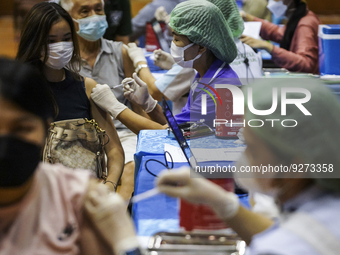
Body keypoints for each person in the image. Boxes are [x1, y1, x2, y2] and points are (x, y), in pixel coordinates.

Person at [86, 77, 340, 255]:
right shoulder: (325, 206)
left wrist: (125, 243)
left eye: (251, 149)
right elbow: (293, 232)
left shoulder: (279, 249)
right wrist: (226, 206)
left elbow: (289, 241)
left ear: (294, 167)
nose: (242, 157)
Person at [0, 58, 140, 255]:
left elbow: (115, 150)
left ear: (46, 129)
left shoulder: (77, 196)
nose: (5, 141)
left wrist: (127, 245)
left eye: (22, 128)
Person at [16, 2, 124, 192]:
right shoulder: (21, 91)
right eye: (51, 41)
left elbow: (114, 150)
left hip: (88, 193)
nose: (60, 46)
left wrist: (108, 187)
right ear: (35, 42)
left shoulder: (87, 87)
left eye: (66, 39)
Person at [91, 0, 241, 131]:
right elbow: (176, 128)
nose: (172, 45)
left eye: (176, 40)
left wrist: (115, 107)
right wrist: (149, 105)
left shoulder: (218, 88)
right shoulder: (204, 74)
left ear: (201, 47)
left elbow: (165, 132)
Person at [60, 0, 154, 200]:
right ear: (70, 18)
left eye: (98, 9)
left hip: (123, 133)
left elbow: (137, 108)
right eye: (84, 11)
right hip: (83, 136)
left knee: (130, 171)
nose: (94, 15)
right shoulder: (63, 58)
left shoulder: (120, 52)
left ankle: (116, 217)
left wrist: (151, 131)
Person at [240, 0, 320, 74]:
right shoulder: (298, 18)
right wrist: (247, 17)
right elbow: (279, 33)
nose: (271, 2)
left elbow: (306, 64)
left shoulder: (305, 25)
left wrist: (268, 46)